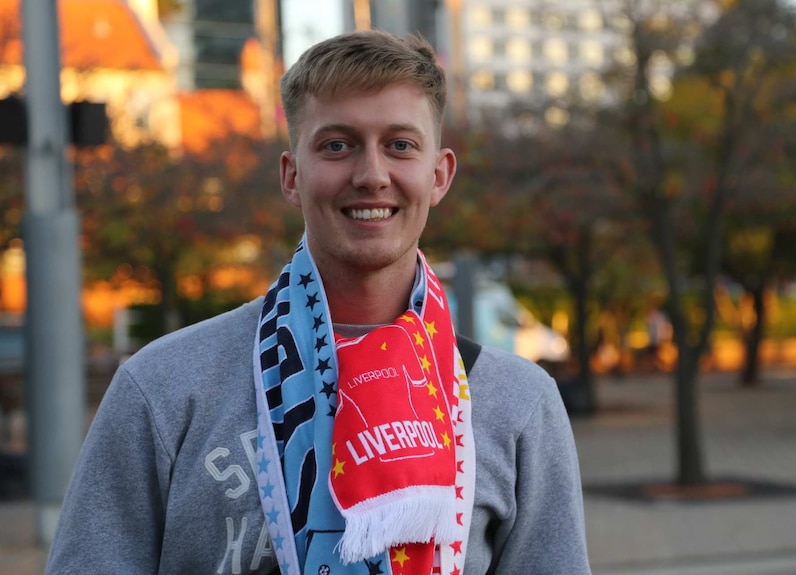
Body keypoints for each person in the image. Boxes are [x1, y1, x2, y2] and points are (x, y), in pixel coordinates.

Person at [46, 30, 591, 574]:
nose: (371, 175)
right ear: (291, 175)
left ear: (439, 174)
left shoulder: (518, 405)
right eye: (337, 145)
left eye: (400, 145)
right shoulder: (163, 390)